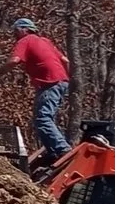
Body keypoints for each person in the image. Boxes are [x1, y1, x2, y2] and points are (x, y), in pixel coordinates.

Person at [10, 17, 72, 164]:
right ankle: (53, 152)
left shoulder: (26, 40)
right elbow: (65, 61)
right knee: (42, 120)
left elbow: (15, 60)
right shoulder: (45, 41)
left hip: (49, 83)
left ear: (24, 29)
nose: (14, 34)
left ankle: (64, 150)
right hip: (60, 82)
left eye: (16, 30)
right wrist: (64, 78)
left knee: (43, 119)